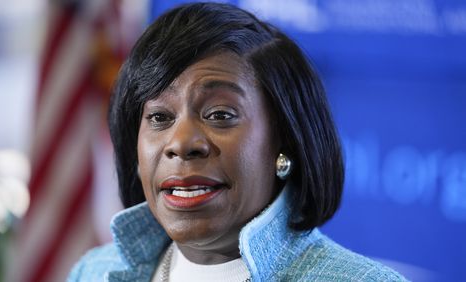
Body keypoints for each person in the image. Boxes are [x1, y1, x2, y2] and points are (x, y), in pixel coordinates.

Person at [68, 2, 407, 281]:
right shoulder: (93, 272)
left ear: (284, 140)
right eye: (160, 117)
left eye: (220, 114)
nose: (182, 143)